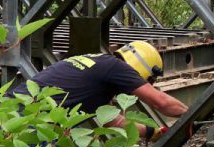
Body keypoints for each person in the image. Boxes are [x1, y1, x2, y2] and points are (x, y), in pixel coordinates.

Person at [11, 40, 188, 140]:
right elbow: (161, 102)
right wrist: (192, 114)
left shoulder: (97, 68)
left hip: (10, 108)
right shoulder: (117, 68)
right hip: (32, 119)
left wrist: (150, 132)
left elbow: (112, 121)